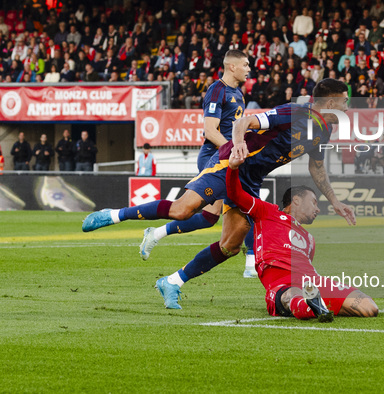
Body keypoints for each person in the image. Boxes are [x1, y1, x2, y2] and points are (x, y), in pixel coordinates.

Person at [82, 79, 355, 310]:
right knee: (182, 210)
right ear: (330, 104)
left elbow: (317, 167)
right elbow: (245, 122)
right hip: (229, 164)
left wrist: (335, 201)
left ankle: (172, 282)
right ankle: (114, 215)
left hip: (251, 178)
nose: (347, 107)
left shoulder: (323, 130)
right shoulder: (297, 112)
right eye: (344, 102)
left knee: (230, 245)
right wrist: (237, 147)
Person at [138, 50, 257, 277]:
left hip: (226, 157)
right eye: (245, 64)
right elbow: (210, 131)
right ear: (232, 66)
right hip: (214, 157)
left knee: (208, 218)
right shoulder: (217, 90)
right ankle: (251, 262)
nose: (249, 68)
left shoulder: (238, 94)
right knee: (247, 202)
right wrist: (233, 152)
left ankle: (156, 233)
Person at [225, 151, 378, 321]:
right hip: (282, 283)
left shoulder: (310, 239)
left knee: (369, 308)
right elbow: (235, 195)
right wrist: (233, 168)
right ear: (296, 200)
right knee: (292, 295)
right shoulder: (267, 211)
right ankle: (310, 305)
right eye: (314, 202)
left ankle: (314, 304)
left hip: (313, 282)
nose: (317, 209)